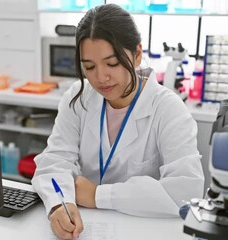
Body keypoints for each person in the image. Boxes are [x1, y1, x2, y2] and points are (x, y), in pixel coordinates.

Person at [32, 3, 204, 239]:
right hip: (85, 229)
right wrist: (58, 205)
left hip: (142, 231)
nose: (100, 78)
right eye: (89, 67)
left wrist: (97, 195)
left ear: (136, 54)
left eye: (112, 64)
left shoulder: (168, 109)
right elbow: (54, 162)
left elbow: (185, 192)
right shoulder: (77, 98)